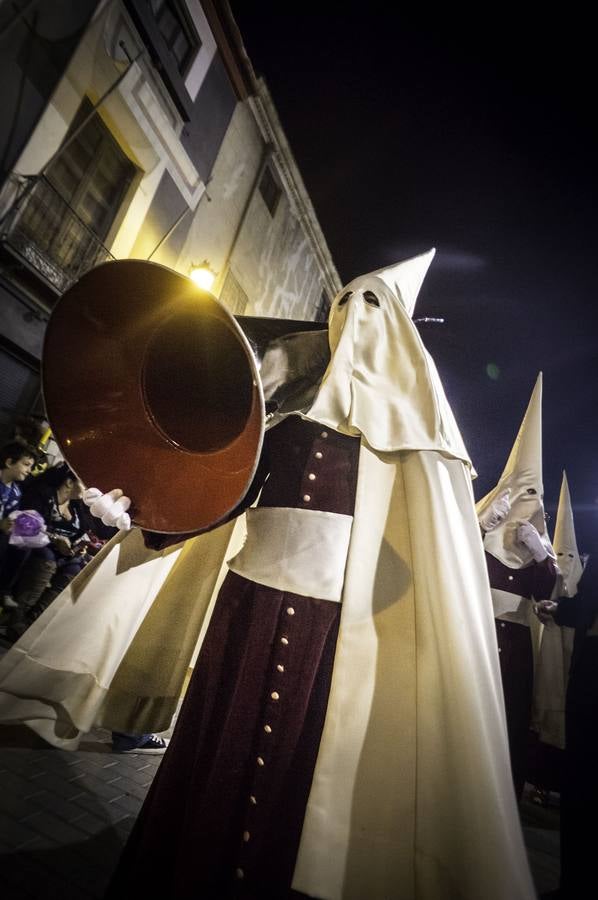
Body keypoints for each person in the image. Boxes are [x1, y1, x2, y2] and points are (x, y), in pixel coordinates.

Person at [103, 251, 535, 899]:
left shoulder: (420, 443)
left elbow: (433, 558)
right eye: (345, 304)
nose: (353, 318)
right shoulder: (285, 419)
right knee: (221, 747)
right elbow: (220, 496)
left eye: (372, 305)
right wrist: (146, 515)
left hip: (332, 632)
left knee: (292, 769)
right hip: (247, 614)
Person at [476, 373, 558, 800]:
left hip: (517, 642)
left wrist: (541, 555)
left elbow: (549, 593)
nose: (528, 502)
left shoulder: (536, 544)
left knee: (508, 714)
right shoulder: (482, 523)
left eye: (534, 495)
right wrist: (481, 525)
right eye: (521, 492)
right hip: (480, 633)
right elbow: (452, 559)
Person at [4, 463, 89, 637]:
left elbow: (79, 534)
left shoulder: (76, 507)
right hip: (35, 545)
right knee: (47, 560)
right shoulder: (43, 494)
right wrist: (55, 539)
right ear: (68, 482)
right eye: (83, 483)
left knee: (76, 570)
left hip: (62, 553)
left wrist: (76, 548)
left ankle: (33, 622)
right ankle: (15, 620)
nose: (86, 489)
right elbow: (26, 523)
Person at [0, 440, 37, 609]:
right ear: (9, 462)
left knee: (22, 546)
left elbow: (9, 517)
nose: (29, 470)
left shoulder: (16, 491)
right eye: (26, 464)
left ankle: (4, 591)